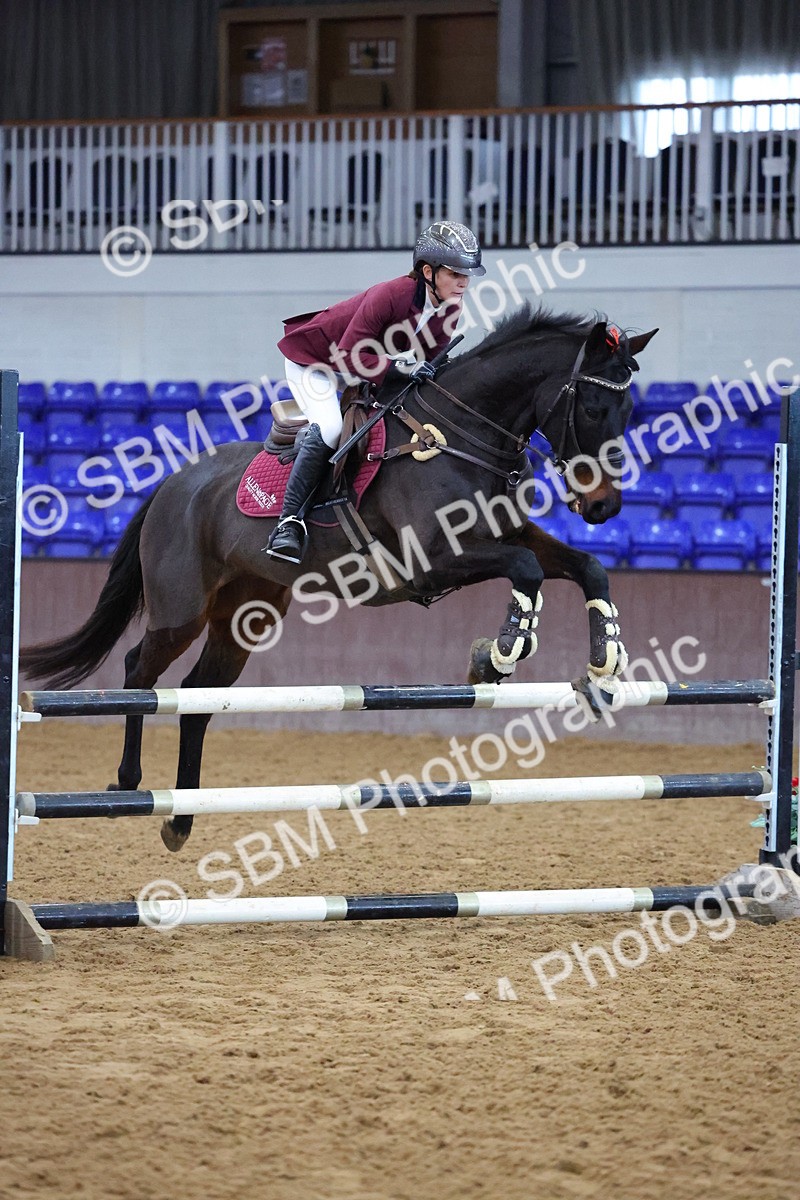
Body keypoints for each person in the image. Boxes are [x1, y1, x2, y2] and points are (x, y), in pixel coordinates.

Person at [264, 220, 486, 563]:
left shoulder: (450, 307)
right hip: (317, 363)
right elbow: (350, 354)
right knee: (331, 428)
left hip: (363, 370)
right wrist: (403, 370)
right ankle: (288, 523)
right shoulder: (392, 294)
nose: (463, 282)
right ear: (428, 271)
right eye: (455, 273)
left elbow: (432, 362)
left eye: (467, 274)